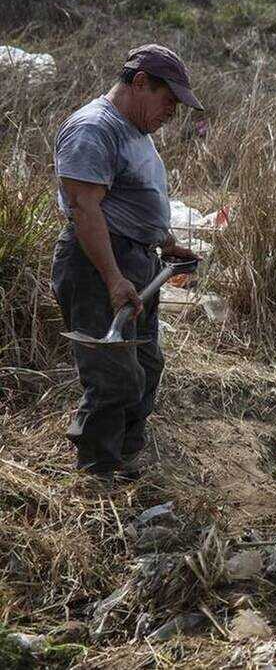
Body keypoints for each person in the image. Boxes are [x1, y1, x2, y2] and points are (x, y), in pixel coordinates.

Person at [52, 44, 204, 483]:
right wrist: (114, 278)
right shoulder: (93, 129)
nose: (172, 112)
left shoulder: (135, 131)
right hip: (97, 265)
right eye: (168, 100)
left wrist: (165, 242)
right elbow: (85, 209)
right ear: (140, 83)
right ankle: (96, 473)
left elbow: (132, 200)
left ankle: (124, 460)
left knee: (146, 367)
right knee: (113, 377)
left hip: (136, 261)